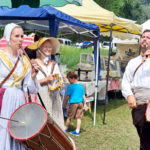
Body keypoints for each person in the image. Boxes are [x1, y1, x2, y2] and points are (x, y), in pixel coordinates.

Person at [0, 23, 40, 150]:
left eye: (22, 36)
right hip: (2, 100)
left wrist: (33, 76)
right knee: (3, 131)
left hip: (19, 101)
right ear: (7, 36)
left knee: (18, 132)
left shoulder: (24, 60)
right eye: (16, 36)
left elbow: (30, 88)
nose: (20, 39)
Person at [27, 37, 65, 130]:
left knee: (56, 120)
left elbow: (59, 79)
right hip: (41, 95)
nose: (48, 49)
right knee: (42, 121)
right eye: (45, 47)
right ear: (39, 49)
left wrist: (59, 82)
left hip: (54, 96)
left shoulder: (53, 64)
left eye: (49, 47)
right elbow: (30, 84)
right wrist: (46, 80)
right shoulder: (33, 63)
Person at [121, 30, 150, 150]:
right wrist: (129, 95)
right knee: (143, 137)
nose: (145, 39)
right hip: (138, 105)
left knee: (146, 143)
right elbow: (125, 81)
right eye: (143, 37)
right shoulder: (133, 62)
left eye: (148, 37)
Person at [64, 71, 88, 136]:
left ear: (72, 78)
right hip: (80, 104)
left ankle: (65, 128)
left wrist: (65, 104)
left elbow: (67, 97)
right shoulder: (80, 86)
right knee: (78, 118)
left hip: (73, 104)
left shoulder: (71, 86)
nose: (69, 81)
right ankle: (77, 131)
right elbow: (84, 96)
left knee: (69, 117)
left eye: (69, 80)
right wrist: (85, 104)